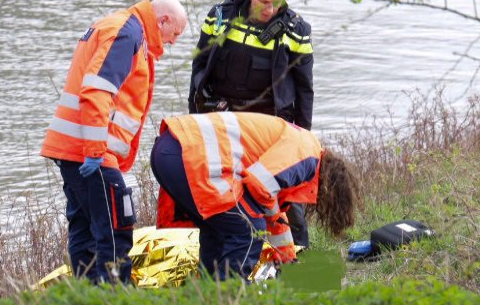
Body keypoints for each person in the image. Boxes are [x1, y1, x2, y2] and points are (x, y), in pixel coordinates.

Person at [40, 0, 188, 284]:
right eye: (175, 34)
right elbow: (97, 91)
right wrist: (96, 153)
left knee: (86, 233)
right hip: (92, 153)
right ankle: (112, 304)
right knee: (115, 230)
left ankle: (87, 301)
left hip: (75, 151)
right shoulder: (127, 33)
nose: (173, 42)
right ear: (163, 20)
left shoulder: (122, 28)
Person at [188, 0, 315, 248]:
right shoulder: (221, 16)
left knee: (284, 194)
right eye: (263, 2)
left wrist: (303, 136)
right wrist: (194, 116)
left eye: (276, 3)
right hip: (224, 117)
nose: (269, 9)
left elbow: (305, 88)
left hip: (271, 121)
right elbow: (199, 66)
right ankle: (226, 250)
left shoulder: (297, 30)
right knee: (218, 189)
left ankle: (300, 258)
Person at [149, 111, 357, 280]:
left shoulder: (302, 146)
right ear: (330, 189)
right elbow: (260, 185)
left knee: (219, 231)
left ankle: (206, 295)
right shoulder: (307, 155)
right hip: (186, 155)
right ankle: (230, 296)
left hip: (170, 149)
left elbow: (274, 216)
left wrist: (289, 262)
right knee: (249, 229)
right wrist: (270, 215)